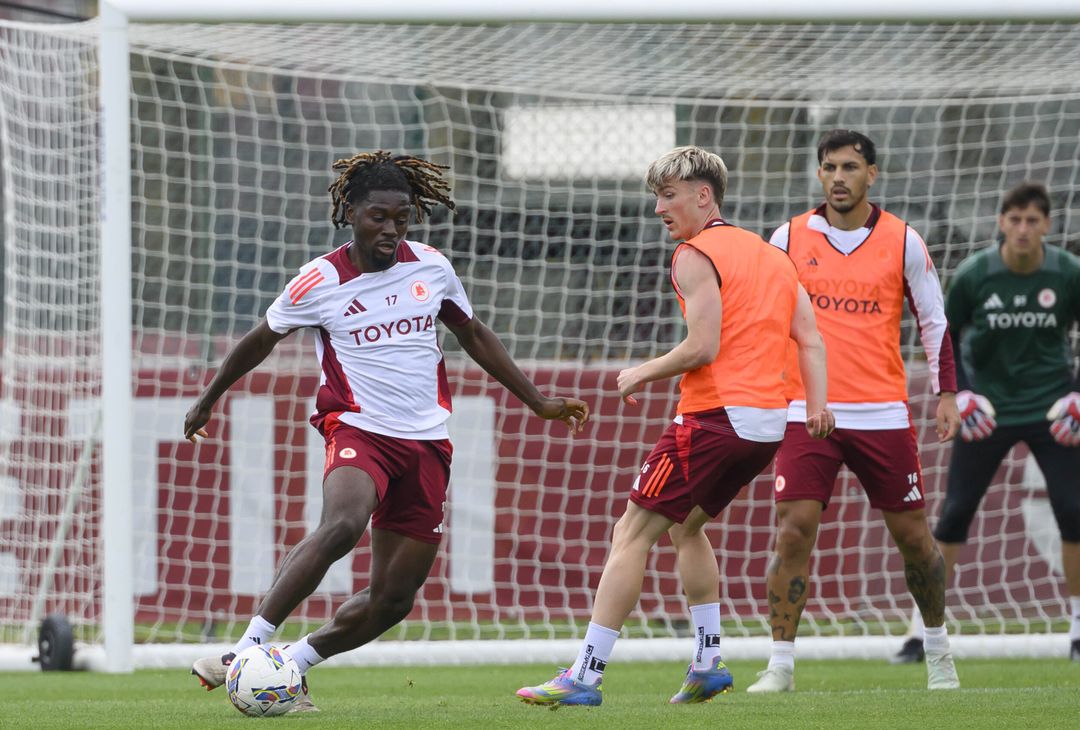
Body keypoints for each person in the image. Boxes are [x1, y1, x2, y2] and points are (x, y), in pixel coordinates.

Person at [185, 151, 590, 711]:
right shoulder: (319, 280)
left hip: (427, 441)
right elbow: (261, 339)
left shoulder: (430, 266)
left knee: (394, 599)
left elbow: (473, 334)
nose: (391, 230)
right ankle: (248, 649)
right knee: (343, 523)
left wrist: (538, 401)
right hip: (357, 426)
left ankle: (292, 663)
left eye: (402, 218)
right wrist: (209, 399)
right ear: (350, 212)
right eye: (379, 216)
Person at [515, 145, 834, 707]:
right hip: (766, 426)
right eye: (656, 197)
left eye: (669, 195)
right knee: (687, 529)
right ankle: (709, 662)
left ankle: (584, 676)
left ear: (703, 195)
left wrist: (642, 371)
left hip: (714, 417)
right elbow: (810, 337)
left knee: (630, 534)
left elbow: (703, 346)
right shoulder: (770, 255)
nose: (660, 208)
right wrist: (817, 405)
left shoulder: (695, 252)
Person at [747, 129, 962, 693]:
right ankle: (781, 665)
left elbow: (934, 322)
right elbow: (762, 315)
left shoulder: (904, 241)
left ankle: (937, 650)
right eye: (828, 167)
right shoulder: (787, 237)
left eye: (849, 167)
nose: (838, 177)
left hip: (882, 414)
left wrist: (946, 394)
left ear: (872, 174)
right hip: (805, 408)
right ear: (818, 175)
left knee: (914, 539)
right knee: (794, 532)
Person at [893, 182, 1080, 664]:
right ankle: (922, 631)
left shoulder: (1067, 273)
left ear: (1047, 225)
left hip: (1053, 410)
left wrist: (1077, 395)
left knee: (1074, 511)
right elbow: (945, 334)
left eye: (1032, 221)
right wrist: (963, 393)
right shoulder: (977, 275)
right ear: (1001, 223)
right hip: (986, 413)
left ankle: (1078, 628)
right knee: (954, 513)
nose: (1022, 229)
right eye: (1014, 219)